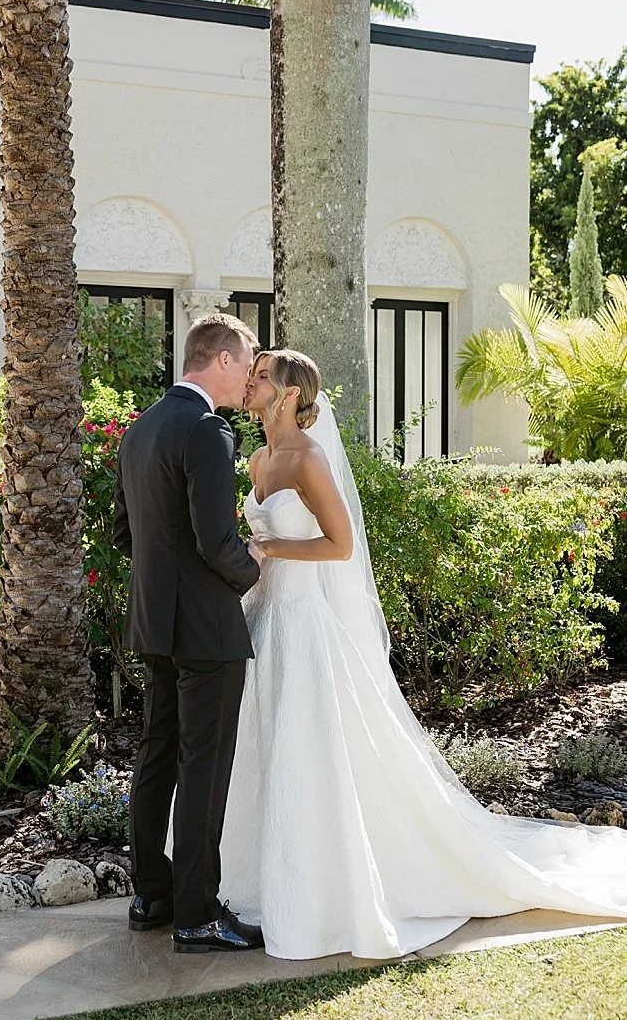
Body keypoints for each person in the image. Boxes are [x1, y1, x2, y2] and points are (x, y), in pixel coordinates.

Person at [223, 347, 627, 960]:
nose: (247, 384)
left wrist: (272, 549)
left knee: (308, 753)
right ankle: (259, 886)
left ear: (285, 395)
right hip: (264, 623)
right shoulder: (258, 460)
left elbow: (339, 546)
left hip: (305, 628)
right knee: (267, 752)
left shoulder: (308, 460)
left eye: (258, 378)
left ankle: (321, 897)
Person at [112, 312, 265, 954]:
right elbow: (214, 538)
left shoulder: (140, 428)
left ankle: (151, 894)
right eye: (249, 360)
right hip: (205, 629)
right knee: (204, 763)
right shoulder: (208, 429)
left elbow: (126, 534)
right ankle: (198, 914)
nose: (253, 374)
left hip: (153, 621)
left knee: (157, 754)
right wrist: (251, 570)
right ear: (221, 360)